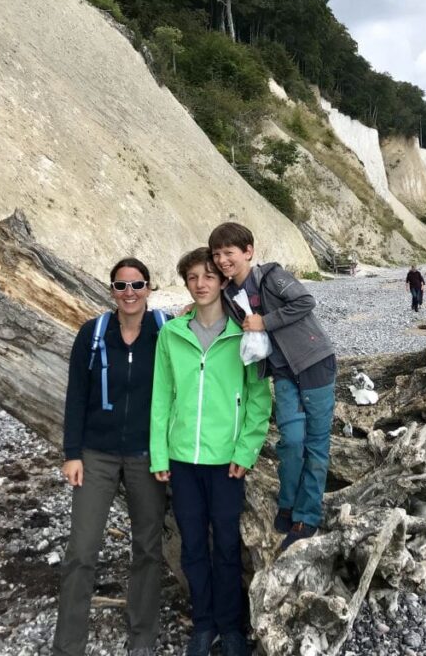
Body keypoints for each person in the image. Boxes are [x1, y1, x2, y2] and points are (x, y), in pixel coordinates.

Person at [150, 248, 272, 656]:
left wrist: (246, 450)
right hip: (183, 459)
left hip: (227, 463)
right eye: (192, 277)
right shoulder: (172, 334)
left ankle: (231, 626)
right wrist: (160, 454)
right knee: (193, 547)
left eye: (208, 276)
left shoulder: (244, 332)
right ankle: (203, 625)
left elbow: (259, 398)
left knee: (227, 546)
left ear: (221, 281)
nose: (200, 284)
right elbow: (161, 397)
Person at [54, 258, 167, 656]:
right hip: (96, 455)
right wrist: (72, 454)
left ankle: (142, 637)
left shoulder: (166, 331)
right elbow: (76, 395)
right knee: (82, 549)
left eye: (137, 285)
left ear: (149, 288)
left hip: (147, 456)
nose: (129, 293)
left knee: (148, 548)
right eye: (121, 286)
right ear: (112, 291)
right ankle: (68, 645)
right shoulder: (94, 332)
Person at [208, 222, 337, 551]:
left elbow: (305, 301)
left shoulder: (272, 276)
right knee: (291, 440)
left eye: (229, 252)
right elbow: (211, 309)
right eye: (217, 254)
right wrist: (188, 311)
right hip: (282, 371)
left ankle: (307, 514)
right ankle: (288, 501)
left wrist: (265, 321)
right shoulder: (229, 294)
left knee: (316, 444)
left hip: (315, 362)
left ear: (248, 252)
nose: (222, 260)